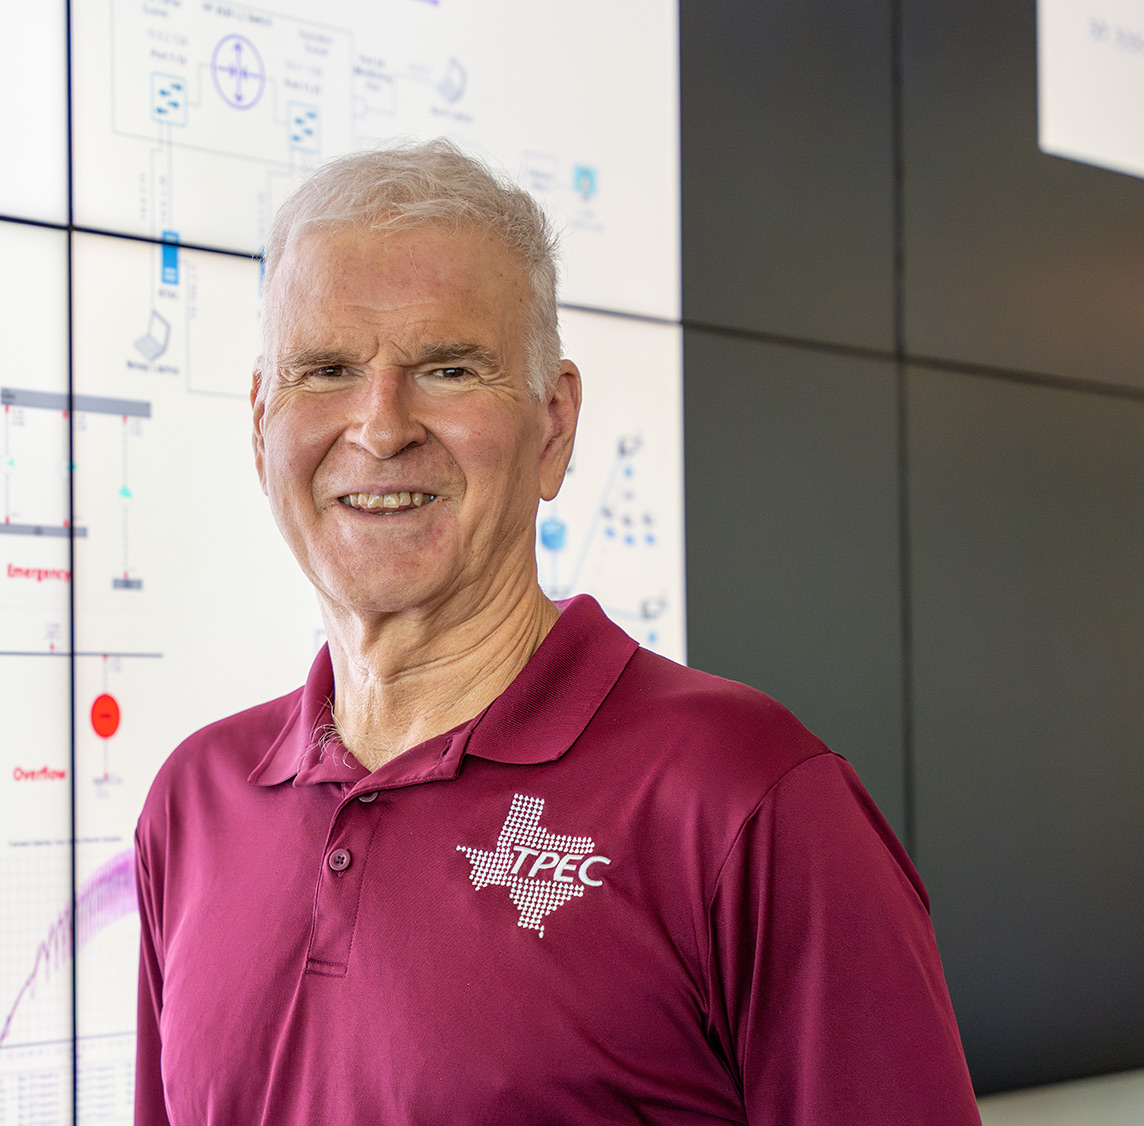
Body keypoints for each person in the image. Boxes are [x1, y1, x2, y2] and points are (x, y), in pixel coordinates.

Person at [132, 140, 982, 1125]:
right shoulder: (192, 806)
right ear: (258, 423)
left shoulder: (745, 802)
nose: (378, 427)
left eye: (446, 368)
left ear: (553, 423)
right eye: (325, 369)